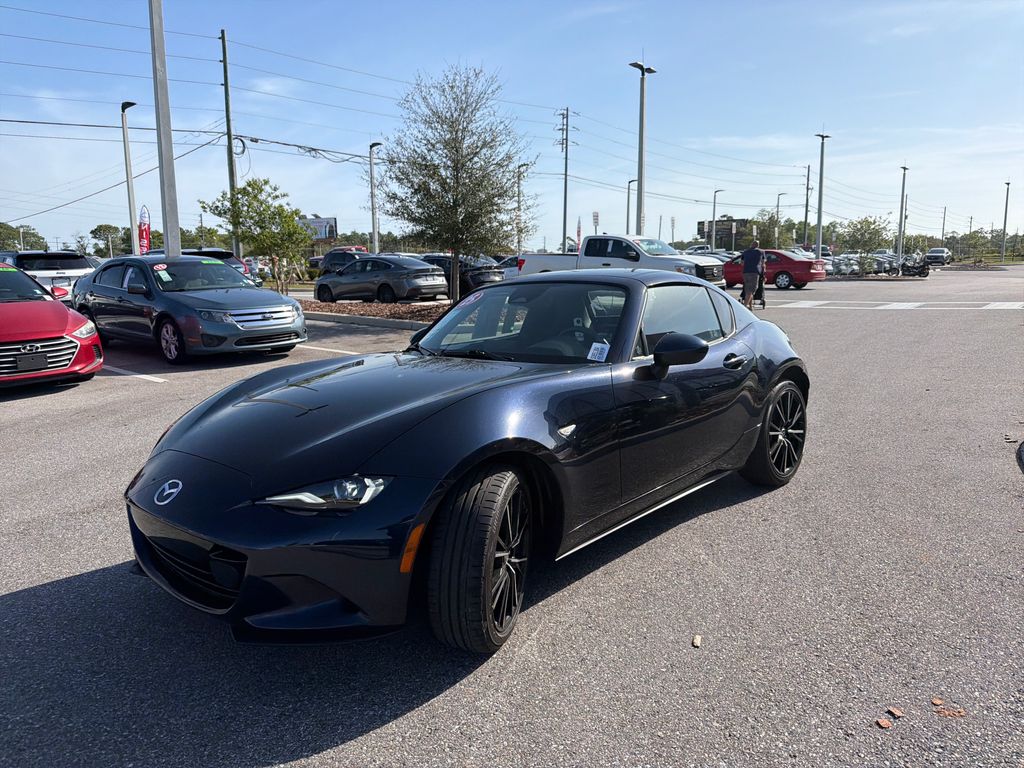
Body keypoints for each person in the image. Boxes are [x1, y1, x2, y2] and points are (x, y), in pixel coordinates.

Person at [739, 240, 765, 310]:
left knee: (747, 290)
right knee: (751, 291)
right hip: (754, 272)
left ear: (751, 244)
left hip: (746, 272)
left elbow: (742, 263)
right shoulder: (761, 252)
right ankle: (744, 307)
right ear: (758, 245)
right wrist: (763, 273)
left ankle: (750, 307)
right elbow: (763, 263)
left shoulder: (745, 252)